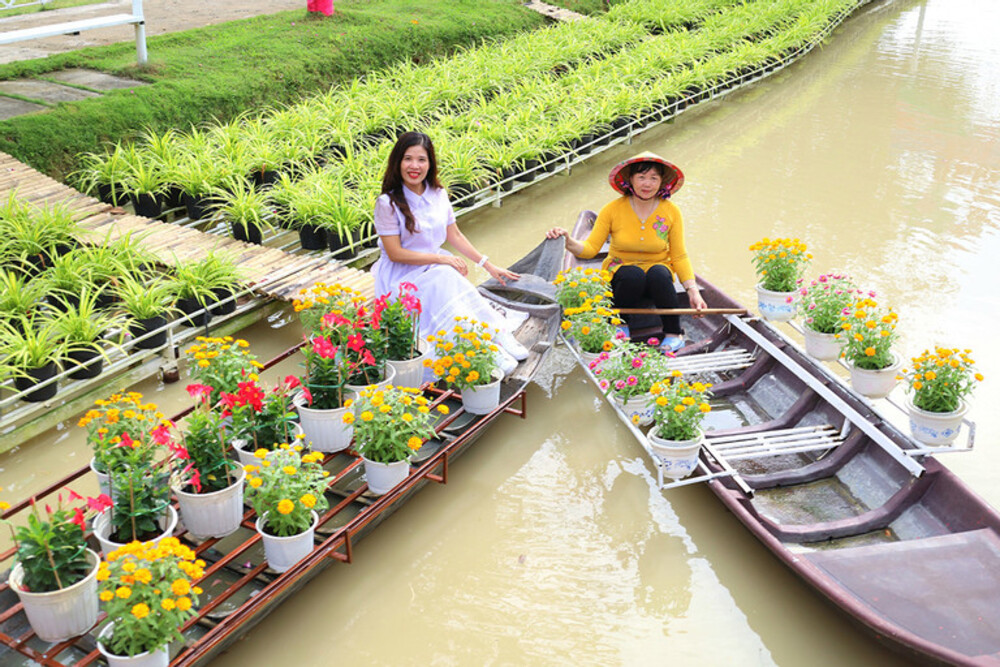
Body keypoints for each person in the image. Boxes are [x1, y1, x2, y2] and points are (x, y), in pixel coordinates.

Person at [372, 131, 529, 369]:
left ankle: (496, 333)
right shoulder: (387, 203)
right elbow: (395, 253)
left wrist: (487, 264)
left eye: (421, 159)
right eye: (408, 159)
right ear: (398, 163)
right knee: (445, 276)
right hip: (400, 274)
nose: (414, 166)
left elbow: (453, 234)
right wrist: (441, 260)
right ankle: (482, 348)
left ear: (430, 163)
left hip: (432, 266)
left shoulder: (438, 194)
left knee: (447, 278)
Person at [546, 151, 707, 352]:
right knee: (633, 274)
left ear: (661, 182)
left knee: (659, 272)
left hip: (657, 281)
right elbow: (589, 249)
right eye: (641, 177)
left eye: (653, 178)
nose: (647, 184)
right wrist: (568, 240)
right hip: (622, 278)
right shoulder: (612, 209)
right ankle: (620, 325)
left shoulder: (671, 211)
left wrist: (693, 291)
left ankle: (674, 333)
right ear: (630, 179)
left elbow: (679, 255)